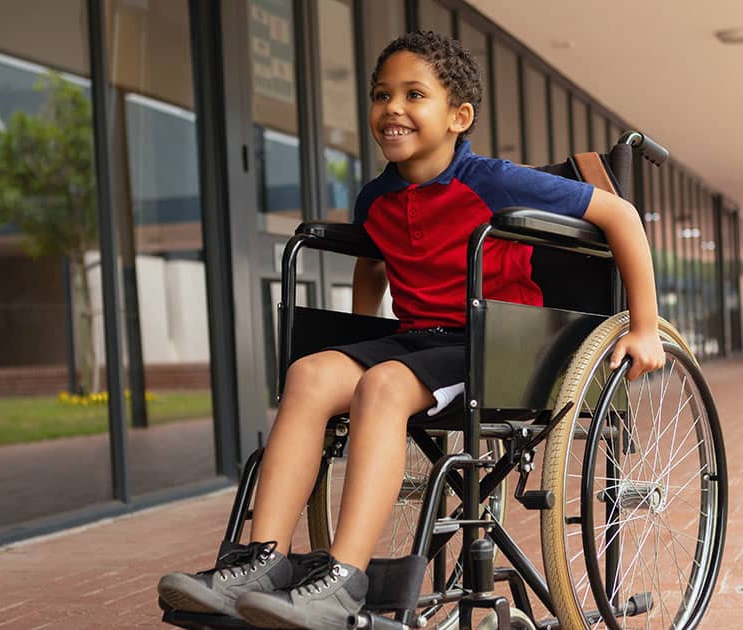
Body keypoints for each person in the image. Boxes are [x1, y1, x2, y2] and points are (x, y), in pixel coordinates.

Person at [157, 29, 665, 630]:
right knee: (311, 372)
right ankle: (260, 560)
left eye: (413, 94)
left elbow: (620, 215)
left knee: (384, 387)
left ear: (458, 116)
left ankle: (342, 581)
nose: (392, 107)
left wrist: (645, 325)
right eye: (380, 94)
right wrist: (360, 343)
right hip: (418, 340)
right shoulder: (377, 197)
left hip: (498, 344)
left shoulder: (496, 181)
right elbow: (375, 260)